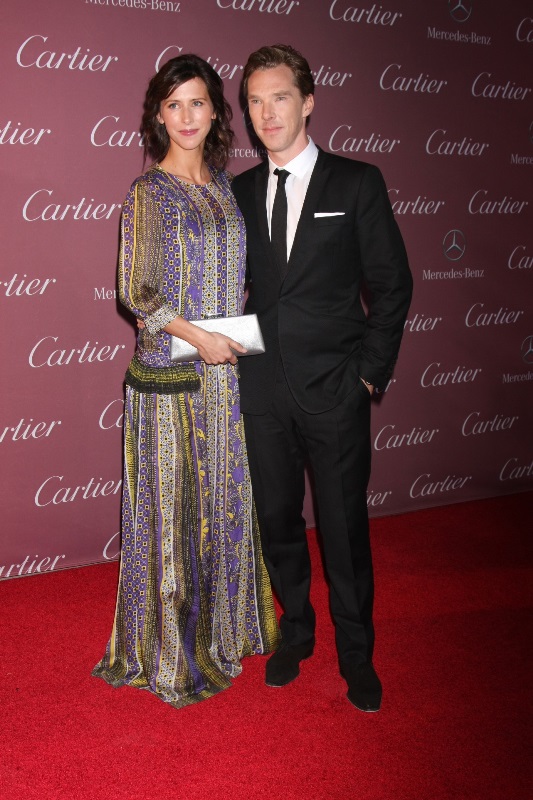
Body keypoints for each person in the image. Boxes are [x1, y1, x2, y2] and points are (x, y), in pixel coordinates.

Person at [93, 54, 279, 709]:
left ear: (216, 112)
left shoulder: (226, 187)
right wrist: (201, 338)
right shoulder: (149, 192)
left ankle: (226, 629)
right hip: (170, 383)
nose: (186, 116)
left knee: (223, 506)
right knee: (174, 520)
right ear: (157, 116)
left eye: (197, 102)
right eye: (173, 105)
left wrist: (237, 336)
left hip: (223, 378)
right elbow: (135, 289)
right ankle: (171, 650)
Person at [232, 44, 413, 712]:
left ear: (307, 101)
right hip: (263, 393)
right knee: (277, 523)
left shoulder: (355, 182)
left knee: (343, 529)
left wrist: (367, 376)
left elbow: (392, 285)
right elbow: (237, 291)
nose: (266, 113)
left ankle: (357, 653)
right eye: (254, 101)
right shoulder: (238, 192)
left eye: (279, 97)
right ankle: (297, 633)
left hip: (336, 391)